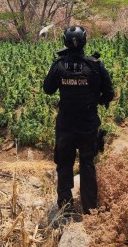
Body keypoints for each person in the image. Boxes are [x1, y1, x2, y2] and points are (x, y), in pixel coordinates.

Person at [43, 25, 114, 216]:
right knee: (87, 163)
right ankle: (90, 209)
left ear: (65, 42)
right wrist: (95, 99)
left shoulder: (58, 65)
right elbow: (109, 93)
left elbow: (47, 89)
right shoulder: (95, 65)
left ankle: (65, 209)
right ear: (84, 41)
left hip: (66, 125)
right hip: (87, 124)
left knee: (64, 164)